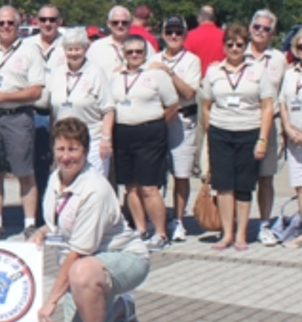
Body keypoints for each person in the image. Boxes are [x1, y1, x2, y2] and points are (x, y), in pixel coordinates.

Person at [28, 117, 149, 322]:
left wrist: (51, 301)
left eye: (73, 149)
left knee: (81, 271)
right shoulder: (54, 179)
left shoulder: (95, 189)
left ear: (85, 151)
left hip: (125, 257)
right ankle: (119, 307)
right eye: (61, 149)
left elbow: (77, 254)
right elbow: (59, 221)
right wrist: (41, 230)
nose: (66, 157)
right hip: (89, 261)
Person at [198, 24, 274, 251]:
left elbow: (267, 107)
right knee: (223, 185)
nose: (234, 48)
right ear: (224, 46)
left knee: (243, 186)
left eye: (239, 44)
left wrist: (262, 139)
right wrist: (211, 127)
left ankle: (241, 234)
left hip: (248, 131)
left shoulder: (258, 70)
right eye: (229, 44)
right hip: (221, 132)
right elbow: (206, 104)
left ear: (245, 46)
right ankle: (226, 233)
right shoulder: (214, 71)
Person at [0, 5, 46, 239]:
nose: (5, 27)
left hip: (19, 116)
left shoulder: (30, 52)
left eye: (10, 23)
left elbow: (36, 91)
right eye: (1, 23)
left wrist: (4, 96)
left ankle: (29, 224)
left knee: (25, 172)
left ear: (18, 26)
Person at [111, 35, 179, 249]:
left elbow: (172, 105)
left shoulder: (156, 75)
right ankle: (140, 229)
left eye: (138, 52)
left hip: (149, 132)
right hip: (122, 132)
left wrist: (156, 125)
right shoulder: (114, 75)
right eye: (129, 52)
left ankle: (160, 233)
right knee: (130, 186)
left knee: (149, 187)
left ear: (145, 54)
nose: (134, 55)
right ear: (123, 54)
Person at [149, 16, 201, 243]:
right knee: (156, 173)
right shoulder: (153, 58)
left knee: (181, 173)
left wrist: (169, 74)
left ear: (184, 35)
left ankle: (178, 220)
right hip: (157, 118)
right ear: (162, 33)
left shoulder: (191, 60)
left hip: (183, 118)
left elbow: (189, 93)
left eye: (178, 32)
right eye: (169, 31)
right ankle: (156, 218)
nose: (173, 36)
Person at [245, 10, 288, 247]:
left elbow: (283, 94)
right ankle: (237, 227)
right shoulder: (238, 52)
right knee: (239, 179)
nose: (260, 32)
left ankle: (263, 224)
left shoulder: (278, 59)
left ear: (272, 33)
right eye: (257, 27)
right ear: (250, 27)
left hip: (268, 126)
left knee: (265, 178)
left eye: (266, 28)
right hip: (240, 124)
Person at [48, 29, 115, 175]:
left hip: (92, 140)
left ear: (85, 49)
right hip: (64, 141)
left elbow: (108, 110)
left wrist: (106, 139)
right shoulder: (57, 74)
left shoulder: (96, 73)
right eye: (69, 49)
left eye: (77, 49)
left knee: (93, 184)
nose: (73, 53)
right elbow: (54, 111)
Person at [27, 4, 68, 223]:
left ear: (59, 21)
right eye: (43, 19)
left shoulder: (67, 45)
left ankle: (58, 212)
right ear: (37, 21)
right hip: (31, 112)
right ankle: (36, 213)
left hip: (59, 114)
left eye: (52, 19)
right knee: (34, 165)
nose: (48, 23)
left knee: (59, 163)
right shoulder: (26, 45)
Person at [279, 32, 302, 248]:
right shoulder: (290, 75)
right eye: (300, 47)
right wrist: (287, 128)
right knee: (300, 187)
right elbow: (283, 104)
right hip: (295, 139)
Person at [87, 6, 156, 73]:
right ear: (108, 24)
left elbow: (154, 68)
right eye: (115, 23)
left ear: (130, 23)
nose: (120, 25)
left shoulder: (144, 44)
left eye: (124, 22)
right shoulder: (96, 47)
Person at [184, 5, 224, 71]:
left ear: (199, 17)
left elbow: (185, 60)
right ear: (215, 18)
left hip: (198, 77)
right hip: (219, 76)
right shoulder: (224, 36)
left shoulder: (189, 36)